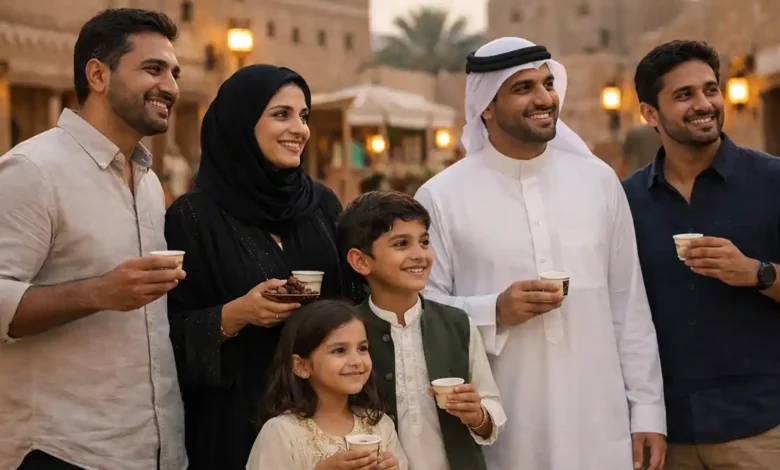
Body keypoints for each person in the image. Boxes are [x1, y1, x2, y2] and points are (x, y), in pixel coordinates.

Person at [413, 37, 667, 470]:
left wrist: (647, 412)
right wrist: (495, 309)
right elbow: (424, 312)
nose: (544, 98)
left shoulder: (598, 182)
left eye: (547, 83)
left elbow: (629, 307)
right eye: (523, 88)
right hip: (504, 429)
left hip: (599, 421)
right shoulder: (442, 197)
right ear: (486, 107)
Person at [0, 8, 186, 470]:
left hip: (151, 449)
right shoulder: (35, 171)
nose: (171, 86)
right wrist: (100, 292)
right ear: (98, 75)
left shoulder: (145, 181)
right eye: (153, 69)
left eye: (174, 72)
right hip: (63, 450)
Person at [164, 64, 364, 470]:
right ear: (241, 123)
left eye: (303, 116)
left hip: (323, 418)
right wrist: (236, 314)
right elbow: (165, 332)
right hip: (236, 419)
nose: (300, 129)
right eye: (281, 114)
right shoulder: (194, 217)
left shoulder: (321, 205)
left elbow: (354, 298)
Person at [623, 40, 780, 469]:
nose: (704, 104)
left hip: (762, 429)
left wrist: (757, 273)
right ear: (650, 114)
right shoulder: (626, 201)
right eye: (684, 95)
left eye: (710, 89)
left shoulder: (772, 181)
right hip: (666, 437)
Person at [338, 190, 507, 470]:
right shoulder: (345, 331)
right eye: (401, 244)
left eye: (424, 242)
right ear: (361, 261)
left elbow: (492, 404)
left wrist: (478, 414)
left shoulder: (458, 324)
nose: (419, 255)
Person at [248, 300, 407, 470]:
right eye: (339, 350)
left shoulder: (380, 425)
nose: (356, 361)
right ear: (302, 366)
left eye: (362, 348)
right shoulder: (281, 432)